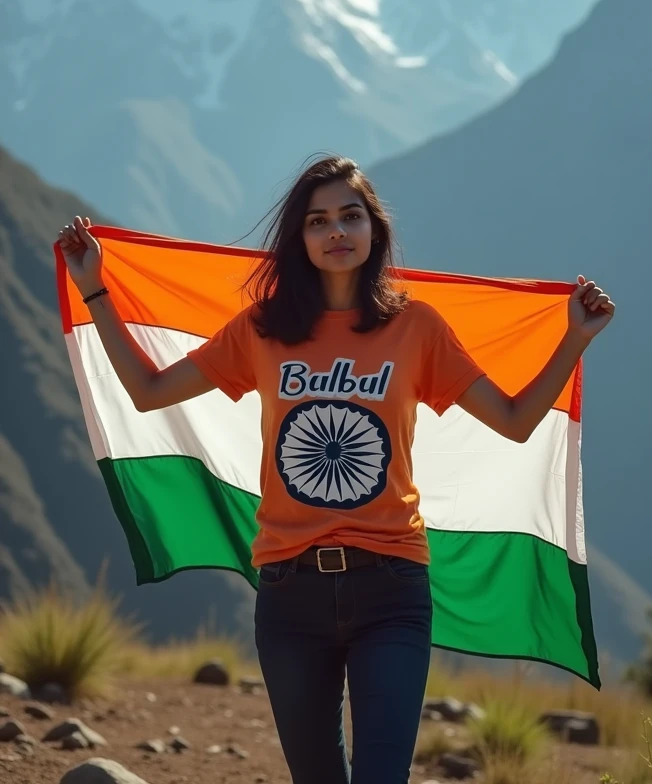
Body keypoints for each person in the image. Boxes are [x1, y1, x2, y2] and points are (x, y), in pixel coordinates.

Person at [56, 155, 615, 784]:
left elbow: (513, 420)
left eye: (351, 216)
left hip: (392, 588)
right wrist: (95, 290)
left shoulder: (416, 326)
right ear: (301, 238)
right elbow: (148, 390)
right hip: (290, 594)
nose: (336, 232)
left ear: (374, 229)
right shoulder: (263, 330)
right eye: (318, 221)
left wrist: (575, 338)